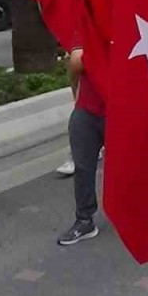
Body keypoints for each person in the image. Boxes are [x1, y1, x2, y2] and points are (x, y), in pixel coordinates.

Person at [57, 45, 107, 245]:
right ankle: (84, 220)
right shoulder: (88, 30)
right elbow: (76, 62)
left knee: (130, 167)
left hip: (123, 109)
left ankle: (137, 213)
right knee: (83, 167)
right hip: (88, 109)